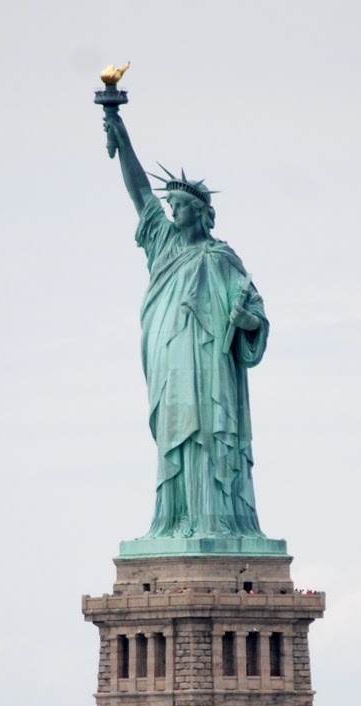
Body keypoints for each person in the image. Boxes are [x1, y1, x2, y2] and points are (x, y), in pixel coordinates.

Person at [100, 106, 271, 543]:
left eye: (180, 206)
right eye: (171, 205)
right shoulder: (161, 242)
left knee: (209, 437)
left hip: (211, 362)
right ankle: (174, 520)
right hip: (170, 358)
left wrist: (246, 319)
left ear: (200, 211)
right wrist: (121, 136)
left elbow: (255, 316)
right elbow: (140, 193)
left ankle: (215, 520)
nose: (172, 212)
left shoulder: (223, 258)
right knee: (176, 435)